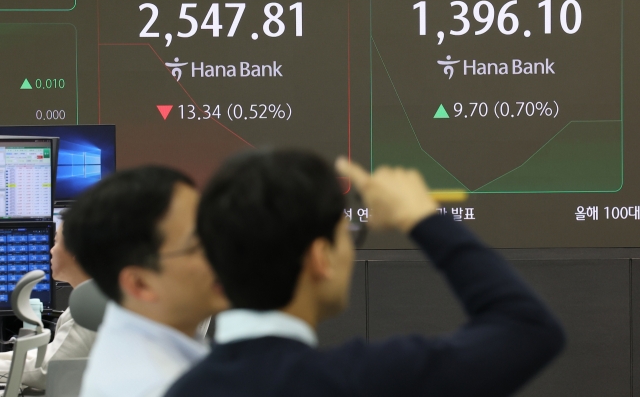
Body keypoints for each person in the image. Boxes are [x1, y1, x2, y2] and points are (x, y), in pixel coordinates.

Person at [166, 149, 566, 397]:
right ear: (320, 258)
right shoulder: (369, 380)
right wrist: (421, 217)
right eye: (347, 236)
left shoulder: (181, 390)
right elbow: (528, 329)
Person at [63, 166, 228, 397]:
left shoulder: (163, 347)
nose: (223, 253)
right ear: (139, 284)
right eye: (196, 246)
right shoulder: (159, 387)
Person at [0, 222, 95, 390]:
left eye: (56, 242)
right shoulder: (93, 296)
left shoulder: (88, 307)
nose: (51, 250)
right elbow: (51, 354)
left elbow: (48, 372)